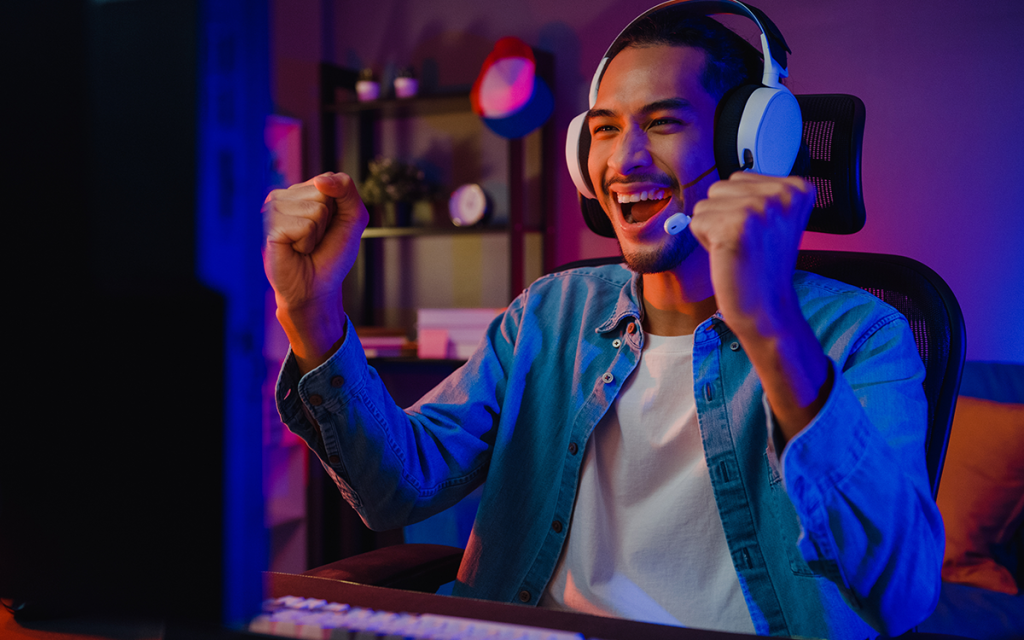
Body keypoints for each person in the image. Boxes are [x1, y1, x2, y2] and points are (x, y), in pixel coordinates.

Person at [263, 4, 943, 638]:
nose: (623, 160)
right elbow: (398, 488)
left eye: (665, 122)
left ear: (751, 144)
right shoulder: (550, 312)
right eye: (606, 128)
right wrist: (311, 311)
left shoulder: (863, 334)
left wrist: (772, 326)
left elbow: (904, 592)